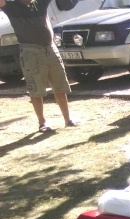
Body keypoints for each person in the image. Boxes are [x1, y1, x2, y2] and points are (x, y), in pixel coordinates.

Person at [0, 0, 78, 132]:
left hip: (50, 49)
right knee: (35, 89)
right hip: (31, 52)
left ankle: (68, 119)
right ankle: (42, 123)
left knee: (60, 86)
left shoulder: (39, 3)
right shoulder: (12, 6)